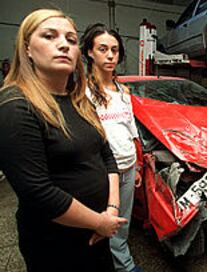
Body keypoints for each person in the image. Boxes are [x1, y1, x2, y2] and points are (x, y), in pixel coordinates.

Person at [0, 9, 128, 272]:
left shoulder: (79, 101)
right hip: (56, 241)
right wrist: (99, 222)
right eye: (49, 36)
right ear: (27, 49)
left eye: (71, 40)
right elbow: (38, 192)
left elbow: (106, 155)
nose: (63, 45)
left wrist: (112, 210)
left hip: (99, 230)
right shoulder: (16, 105)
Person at [80, 23, 143, 272]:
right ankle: (122, 266)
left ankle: (120, 263)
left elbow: (131, 131)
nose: (110, 55)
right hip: (102, 172)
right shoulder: (81, 92)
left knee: (120, 224)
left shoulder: (123, 91)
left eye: (114, 50)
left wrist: (137, 166)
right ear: (89, 52)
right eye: (103, 49)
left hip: (128, 167)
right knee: (98, 222)